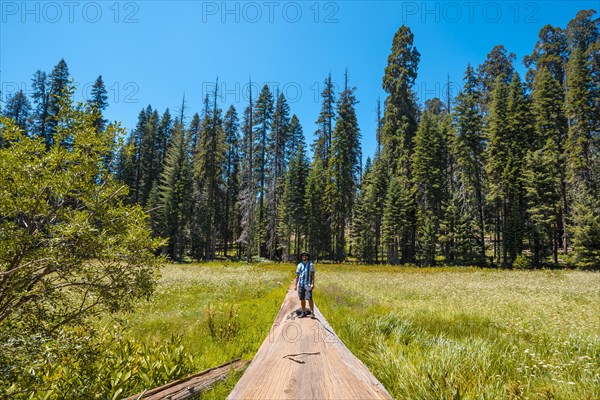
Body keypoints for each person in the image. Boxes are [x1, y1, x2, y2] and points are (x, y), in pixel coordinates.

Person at [295, 252, 315, 319]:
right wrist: (296, 285)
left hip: (308, 284)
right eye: (303, 256)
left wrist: (312, 283)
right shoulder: (299, 265)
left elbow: (313, 275)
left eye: (306, 256)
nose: (304, 257)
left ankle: (312, 312)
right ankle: (303, 312)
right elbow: (297, 275)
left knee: (309, 298)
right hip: (301, 284)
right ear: (301, 257)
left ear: (307, 257)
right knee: (302, 299)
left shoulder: (311, 265)